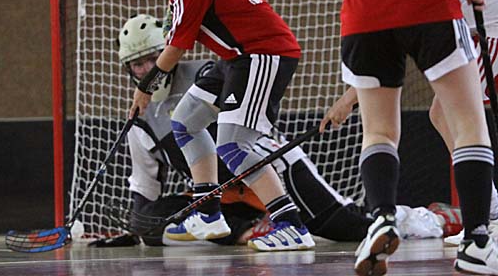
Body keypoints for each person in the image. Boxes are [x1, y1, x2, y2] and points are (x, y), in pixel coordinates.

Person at [90, 14, 460, 249]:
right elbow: (145, 187)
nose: (147, 69)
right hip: (224, 195)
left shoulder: (206, 75)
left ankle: (434, 219)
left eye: (152, 59)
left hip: (268, 169)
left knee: (351, 227)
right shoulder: (141, 121)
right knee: (147, 221)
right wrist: (140, 226)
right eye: (137, 64)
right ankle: (250, 228)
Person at [306, 0, 495, 275]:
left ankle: (381, 217)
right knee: (467, 123)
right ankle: (479, 238)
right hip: (432, 4)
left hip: (366, 12)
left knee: (378, 131)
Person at [119, 0, 313, 252]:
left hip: (261, 54)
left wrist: (144, 87)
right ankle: (209, 212)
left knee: (234, 146)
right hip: (234, 58)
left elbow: (179, 45)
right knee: (185, 122)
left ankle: (291, 226)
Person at [320, 0, 498, 248]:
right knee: (443, 114)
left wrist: (348, 100)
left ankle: (489, 214)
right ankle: (488, 212)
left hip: (491, 24)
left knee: (450, 115)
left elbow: (397, 52)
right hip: (482, 25)